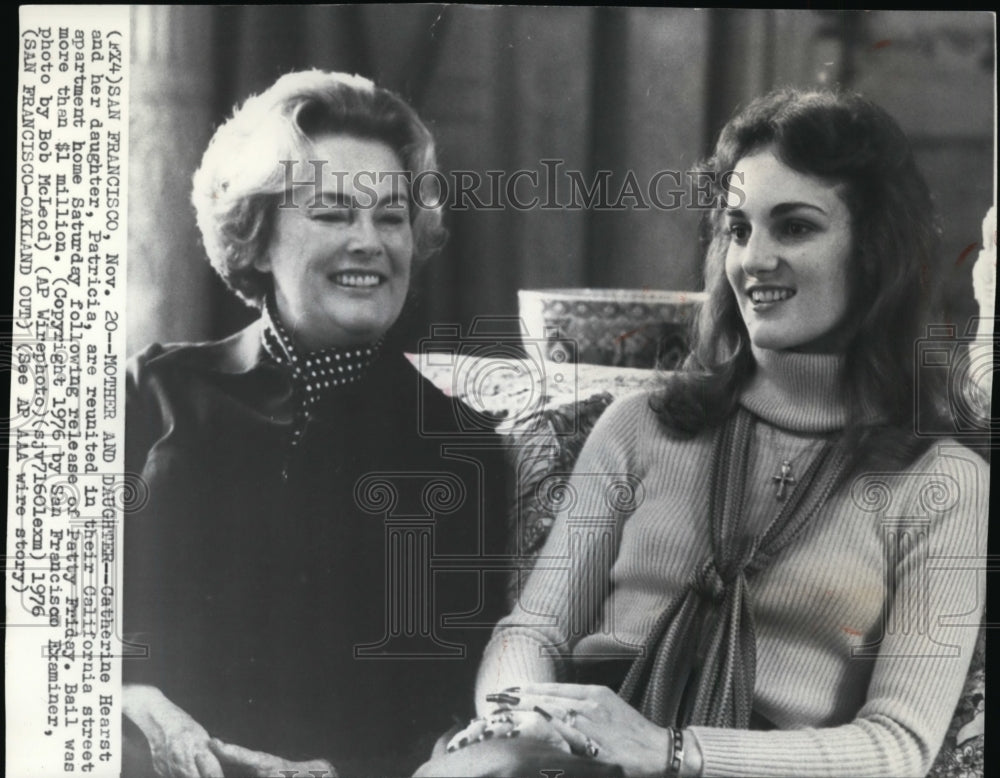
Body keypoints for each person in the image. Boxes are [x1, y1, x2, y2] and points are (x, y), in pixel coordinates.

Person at [444, 89, 990, 778]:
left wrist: (669, 752)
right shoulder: (641, 425)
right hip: (566, 758)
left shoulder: (943, 481)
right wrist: (517, 715)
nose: (753, 260)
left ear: (874, 251)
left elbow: (896, 747)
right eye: (738, 228)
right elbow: (535, 630)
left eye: (793, 227)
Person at [122, 70, 508, 778]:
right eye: (332, 214)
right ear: (258, 236)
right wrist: (132, 696)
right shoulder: (151, 390)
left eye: (390, 218)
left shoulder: (462, 447)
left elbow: (444, 701)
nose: (370, 241)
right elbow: (51, 617)